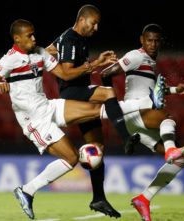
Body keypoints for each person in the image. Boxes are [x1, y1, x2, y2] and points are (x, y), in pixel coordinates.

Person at [0, 19, 148, 220]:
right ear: (17, 38)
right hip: (34, 120)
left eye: (34, 34)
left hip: (48, 106)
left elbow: (64, 74)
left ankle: (146, 102)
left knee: (96, 109)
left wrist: (95, 64)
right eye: (29, 36)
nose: (34, 38)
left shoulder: (40, 52)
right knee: (71, 158)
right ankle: (27, 191)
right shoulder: (9, 59)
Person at [45, 4, 149, 218]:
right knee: (108, 93)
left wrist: (35, 60)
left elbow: (49, 50)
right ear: (82, 19)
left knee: (97, 147)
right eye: (94, 23)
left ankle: (98, 198)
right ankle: (126, 137)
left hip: (81, 90)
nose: (96, 28)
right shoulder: (72, 38)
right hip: (73, 92)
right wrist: (95, 64)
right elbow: (65, 74)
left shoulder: (70, 38)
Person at [99, 24, 184, 221]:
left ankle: (144, 199)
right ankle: (171, 149)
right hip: (135, 112)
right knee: (167, 117)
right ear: (141, 40)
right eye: (149, 40)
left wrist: (174, 90)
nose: (152, 44)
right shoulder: (136, 56)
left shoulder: (150, 62)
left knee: (181, 160)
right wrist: (113, 104)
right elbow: (106, 73)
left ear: (160, 42)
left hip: (141, 118)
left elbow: (150, 89)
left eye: (156, 41)